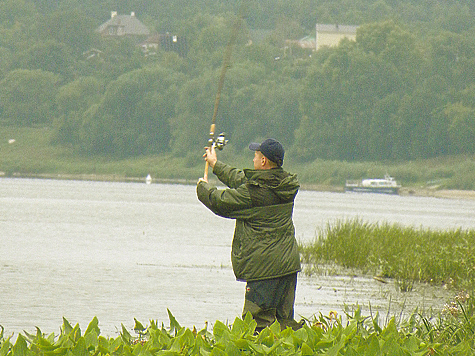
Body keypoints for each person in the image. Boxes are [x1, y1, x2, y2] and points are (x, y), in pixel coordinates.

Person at [196, 138, 303, 332]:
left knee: (257, 326)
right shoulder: (284, 184)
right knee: (285, 324)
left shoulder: (254, 195)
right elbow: (242, 180)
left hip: (264, 269)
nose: (253, 159)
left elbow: (220, 202)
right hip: (287, 266)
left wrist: (203, 188)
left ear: (263, 161)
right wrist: (215, 165)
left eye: (255, 156)